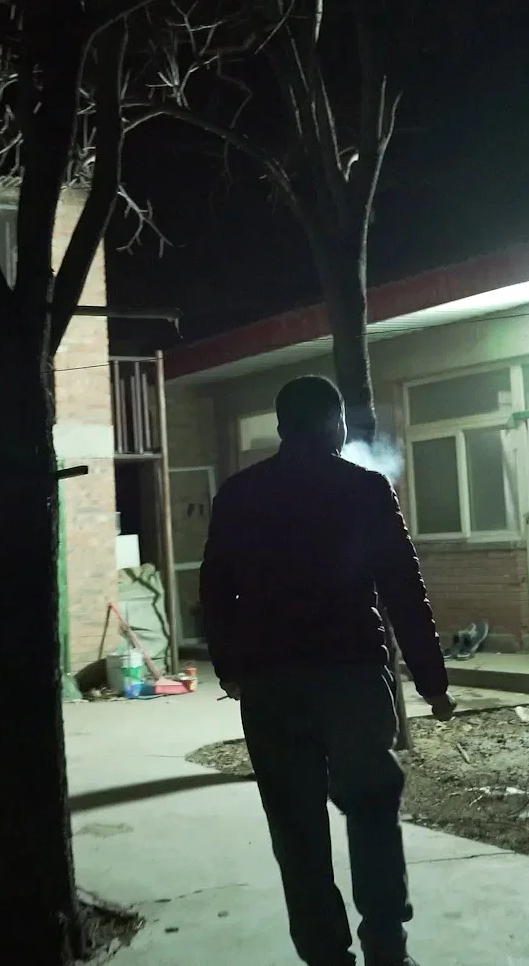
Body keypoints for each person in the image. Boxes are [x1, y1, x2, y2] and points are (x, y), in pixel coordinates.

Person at [202, 375, 455, 966]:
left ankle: (324, 953)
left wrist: (230, 667)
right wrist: (432, 681)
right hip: (352, 679)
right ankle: (386, 946)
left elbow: (214, 592)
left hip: (271, 684)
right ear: (335, 424)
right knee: (370, 813)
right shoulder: (366, 490)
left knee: (296, 829)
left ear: (283, 426)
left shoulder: (239, 495)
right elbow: (403, 588)